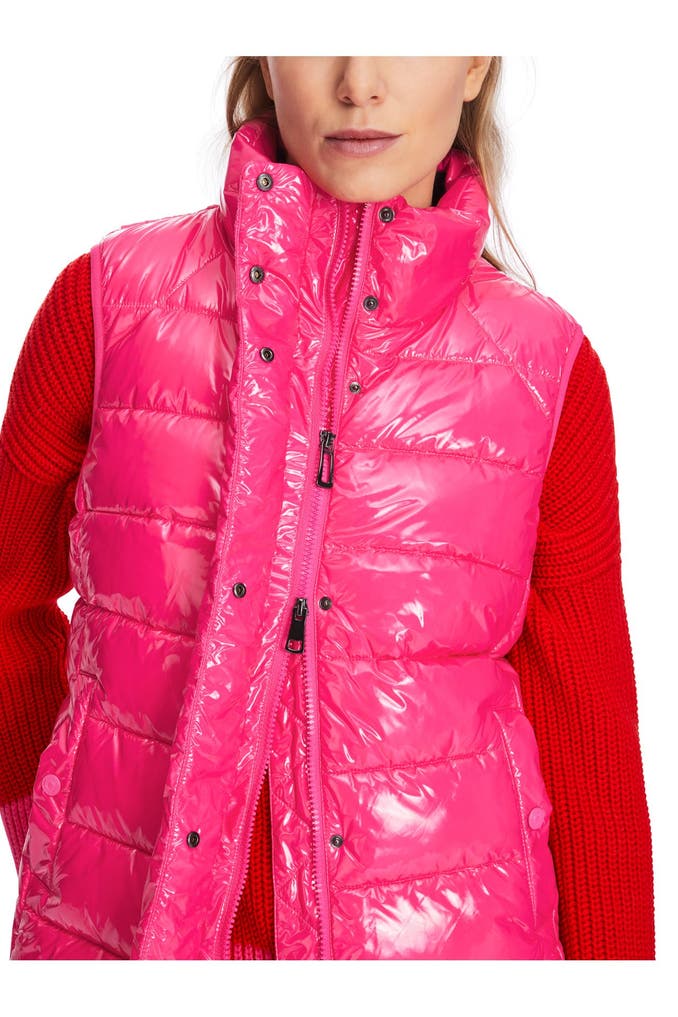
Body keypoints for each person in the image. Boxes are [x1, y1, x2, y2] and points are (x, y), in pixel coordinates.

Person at [0, 56, 655, 960]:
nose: (359, 82)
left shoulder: (545, 371)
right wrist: (60, 814)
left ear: (475, 62)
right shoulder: (110, 305)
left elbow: (588, 735)